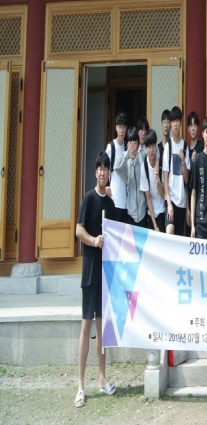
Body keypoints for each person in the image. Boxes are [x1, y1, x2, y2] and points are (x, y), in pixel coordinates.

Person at [74, 152, 116, 408]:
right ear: (95, 172)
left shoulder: (110, 204)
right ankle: (80, 386)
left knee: (102, 328)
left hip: (105, 272)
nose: (102, 172)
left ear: (109, 173)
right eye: (99, 168)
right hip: (90, 271)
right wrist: (93, 241)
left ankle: (102, 378)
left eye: (105, 169)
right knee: (86, 326)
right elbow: (78, 230)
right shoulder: (89, 199)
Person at [163, 106, 191, 236]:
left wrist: (183, 160)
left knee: (179, 236)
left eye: (177, 121)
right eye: (173, 121)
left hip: (182, 201)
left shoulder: (185, 146)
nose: (175, 124)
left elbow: (187, 179)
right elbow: (165, 177)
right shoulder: (167, 146)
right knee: (169, 231)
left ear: (181, 123)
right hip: (171, 199)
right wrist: (168, 203)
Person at [114, 126, 148, 227]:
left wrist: (138, 156)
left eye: (135, 142)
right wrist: (127, 155)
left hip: (143, 211)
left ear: (138, 143)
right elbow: (116, 167)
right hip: (130, 212)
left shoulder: (142, 156)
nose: (133, 145)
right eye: (130, 142)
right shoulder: (125, 159)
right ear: (127, 143)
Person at [105, 110, 129, 223]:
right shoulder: (111, 147)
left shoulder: (127, 147)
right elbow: (103, 167)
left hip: (126, 202)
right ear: (116, 128)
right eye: (119, 127)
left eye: (123, 127)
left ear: (126, 128)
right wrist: (104, 187)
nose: (121, 130)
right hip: (114, 199)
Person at [140, 129, 166, 232]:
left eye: (153, 146)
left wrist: (159, 183)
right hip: (151, 213)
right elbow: (148, 197)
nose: (151, 150)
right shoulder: (144, 167)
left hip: (162, 210)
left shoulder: (161, 164)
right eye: (149, 147)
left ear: (156, 146)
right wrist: (155, 225)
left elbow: (163, 195)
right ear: (146, 148)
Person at [157, 109, 171, 181]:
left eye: (168, 122)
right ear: (161, 124)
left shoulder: (173, 146)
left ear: (171, 125)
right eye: (164, 122)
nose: (166, 125)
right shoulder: (157, 148)